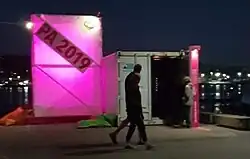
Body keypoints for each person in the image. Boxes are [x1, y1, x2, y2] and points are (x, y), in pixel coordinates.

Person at [122, 64, 153, 150]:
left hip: (131, 105)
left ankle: (128, 142)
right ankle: (146, 143)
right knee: (140, 125)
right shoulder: (134, 79)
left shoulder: (130, 77)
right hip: (134, 106)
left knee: (133, 124)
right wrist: (139, 108)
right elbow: (135, 96)